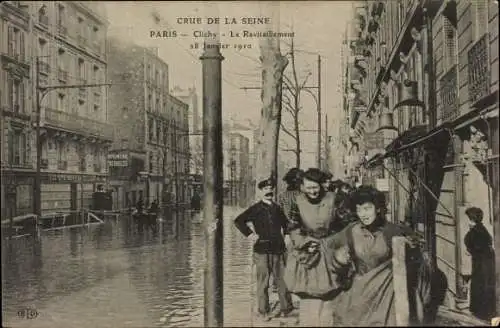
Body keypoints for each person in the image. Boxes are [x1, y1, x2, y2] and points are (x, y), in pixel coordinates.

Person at [329, 185, 434, 326]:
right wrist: (339, 259)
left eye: (367, 209)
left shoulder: (393, 231)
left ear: (378, 208)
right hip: (360, 294)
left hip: (386, 295)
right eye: (359, 210)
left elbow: (416, 263)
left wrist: (411, 247)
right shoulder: (351, 231)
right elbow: (329, 246)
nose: (363, 214)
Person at [284, 168, 345, 326]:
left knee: (330, 294)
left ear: (321, 186)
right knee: (309, 295)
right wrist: (304, 243)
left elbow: (345, 225)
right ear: (303, 187)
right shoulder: (297, 201)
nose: (312, 191)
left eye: (315, 187)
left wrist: (334, 242)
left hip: (329, 249)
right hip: (307, 251)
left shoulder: (334, 199)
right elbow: (292, 227)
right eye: (309, 187)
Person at [234, 178, 294, 320]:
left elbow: (286, 224)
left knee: (282, 280)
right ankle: (263, 311)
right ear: (260, 192)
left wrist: (286, 235)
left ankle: (287, 309)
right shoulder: (255, 209)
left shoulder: (277, 208)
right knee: (263, 282)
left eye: (271, 188)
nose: (269, 191)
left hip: (278, 249)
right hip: (261, 250)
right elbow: (238, 221)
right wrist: (250, 235)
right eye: (265, 189)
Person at [464, 207, 495, 321]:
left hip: (481, 263)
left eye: (470, 219)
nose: (469, 222)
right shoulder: (482, 229)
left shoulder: (476, 231)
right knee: (484, 285)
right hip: (486, 262)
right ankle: (485, 311)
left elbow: (470, 243)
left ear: (474, 220)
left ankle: (481, 313)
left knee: (480, 285)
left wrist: (470, 250)